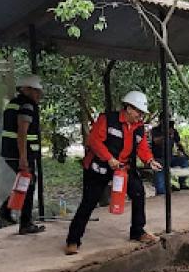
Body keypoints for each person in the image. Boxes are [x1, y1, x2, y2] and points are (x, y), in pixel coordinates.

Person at [65, 91, 163, 255]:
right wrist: (109, 158)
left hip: (123, 168)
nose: (141, 116)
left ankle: (138, 232)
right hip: (100, 167)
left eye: (142, 113)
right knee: (89, 201)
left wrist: (149, 160)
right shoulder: (108, 120)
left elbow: (142, 147)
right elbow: (94, 141)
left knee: (138, 192)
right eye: (139, 112)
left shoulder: (139, 128)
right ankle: (73, 240)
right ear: (129, 108)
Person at [0, 75, 46, 234]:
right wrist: (23, 157)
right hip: (20, 153)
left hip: (10, 151)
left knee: (26, 181)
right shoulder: (26, 105)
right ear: (27, 90)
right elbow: (22, 132)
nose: (39, 95)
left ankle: (6, 209)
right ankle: (25, 223)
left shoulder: (13, 104)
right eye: (36, 91)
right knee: (29, 183)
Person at [152, 116, 189, 193]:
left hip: (170, 158)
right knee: (161, 190)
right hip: (159, 160)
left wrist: (184, 153)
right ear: (160, 120)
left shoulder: (173, 131)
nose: (167, 121)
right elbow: (156, 141)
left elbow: (178, 143)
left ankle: (182, 183)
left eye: (169, 119)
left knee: (184, 161)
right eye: (165, 120)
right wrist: (166, 134)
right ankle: (168, 186)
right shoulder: (155, 130)